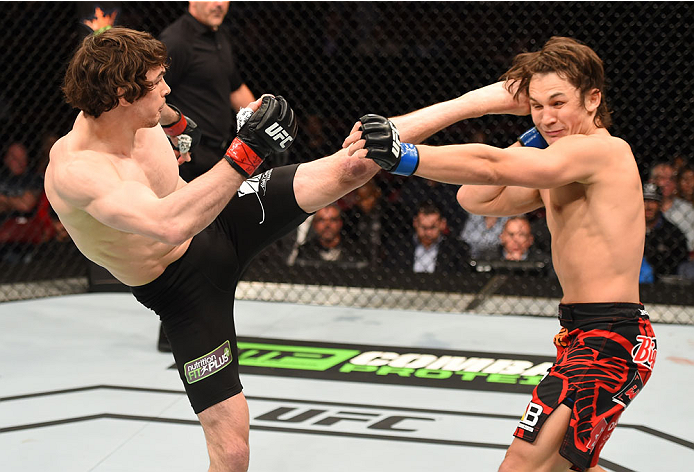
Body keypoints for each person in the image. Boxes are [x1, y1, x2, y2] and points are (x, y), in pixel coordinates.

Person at [45, 27, 383, 471]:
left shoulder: (137, 113)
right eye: (157, 82)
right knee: (233, 452)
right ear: (124, 94)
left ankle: (459, 107)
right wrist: (246, 150)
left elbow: (165, 115)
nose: (167, 88)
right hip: (183, 291)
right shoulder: (79, 172)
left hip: (220, 220)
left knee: (352, 168)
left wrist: (180, 125)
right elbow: (169, 224)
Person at [345, 36, 657, 472]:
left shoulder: (603, 151)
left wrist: (406, 156)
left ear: (593, 99)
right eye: (536, 106)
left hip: (609, 338)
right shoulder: (558, 160)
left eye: (557, 103)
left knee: (520, 466)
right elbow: (477, 197)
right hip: (584, 335)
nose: (547, 117)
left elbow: (493, 166)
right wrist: (528, 139)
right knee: (560, 468)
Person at [159, 1, 256, 182]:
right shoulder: (177, 40)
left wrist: (262, 125)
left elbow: (235, 89)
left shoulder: (219, 35)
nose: (219, 4)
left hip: (221, 151)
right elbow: (153, 94)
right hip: (189, 156)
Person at [385, 200, 469, 274]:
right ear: (415, 223)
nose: (428, 233)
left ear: (442, 224)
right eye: (423, 227)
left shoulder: (457, 249)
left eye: (433, 227)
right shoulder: (398, 247)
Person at [295, 203, 368, 268]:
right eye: (321, 220)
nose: (327, 225)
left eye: (333, 220)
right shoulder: (305, 250)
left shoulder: (354, 250)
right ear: (314, 224)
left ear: (340, 223)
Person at [477, 216, 552, 275]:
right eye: (511, 234)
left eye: (522, 235)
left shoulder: (544, 261)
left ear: (530, 240)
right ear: (502, 237)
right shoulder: (487, 257)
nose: (516, 240)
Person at [642, 182, 688, 279]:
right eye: (644, 201)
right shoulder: (627, 230)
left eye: (653, 201)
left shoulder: (674, 234)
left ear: (660, 205)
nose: (648, 206)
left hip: (666, 286)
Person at [649, 161, 694, 253]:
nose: (667, 182)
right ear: (651, 181)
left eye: (671, 179)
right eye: (662, 178)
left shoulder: (687, 209)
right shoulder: (641, 208)